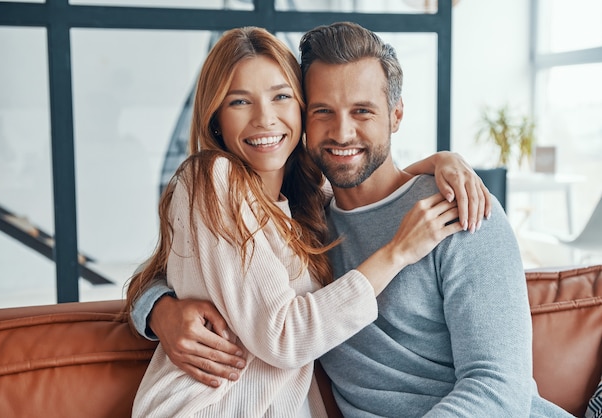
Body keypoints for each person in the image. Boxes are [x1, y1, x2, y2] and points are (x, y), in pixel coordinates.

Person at [132, 22, 575, 417]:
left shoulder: (458, 210)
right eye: (323, 111)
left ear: (396, 115)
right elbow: (178, 270)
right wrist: (158, 310)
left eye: (362, 111)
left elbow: (500, 389)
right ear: (305, 120)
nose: (342, 132)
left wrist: (445, 161)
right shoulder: (308, 224)